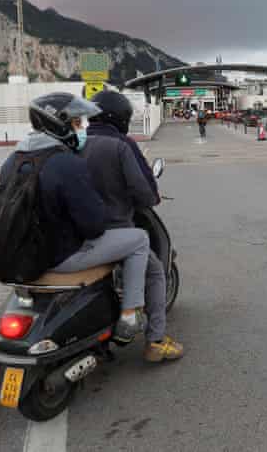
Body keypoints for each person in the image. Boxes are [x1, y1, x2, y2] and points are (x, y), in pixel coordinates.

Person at [0, 92, 150, 343]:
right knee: (139, 240)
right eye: (78, 123)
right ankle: (129, 316)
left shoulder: (12, 161)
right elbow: (94, 226)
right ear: (59, 124)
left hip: (23, 254)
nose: (82, 129)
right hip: (61, 257)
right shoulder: (67, 163)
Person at [86, 90, 184, 362]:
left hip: (79, 235)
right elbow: (145, 192)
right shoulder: (121, 145)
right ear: (121, 118)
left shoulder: (75, 143)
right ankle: (156, 341)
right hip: (116, 231)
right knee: (154, 271)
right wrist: (151, 197)